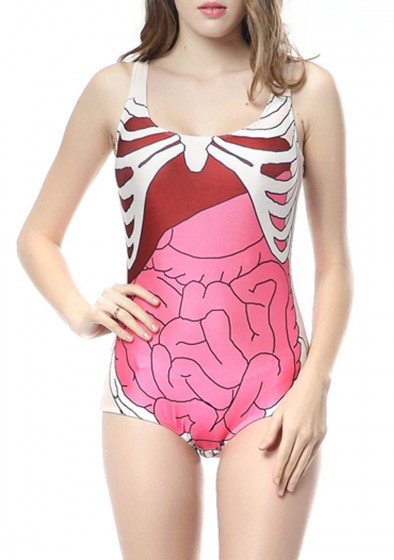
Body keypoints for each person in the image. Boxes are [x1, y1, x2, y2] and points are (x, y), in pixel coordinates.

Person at [17, 0, 353, 558]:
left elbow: (335, 263)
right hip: (144, 386)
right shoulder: (115, 90)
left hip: (274, 389)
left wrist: (315, 385)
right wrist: (82, 313)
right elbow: (37, 236)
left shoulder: (304, 90)